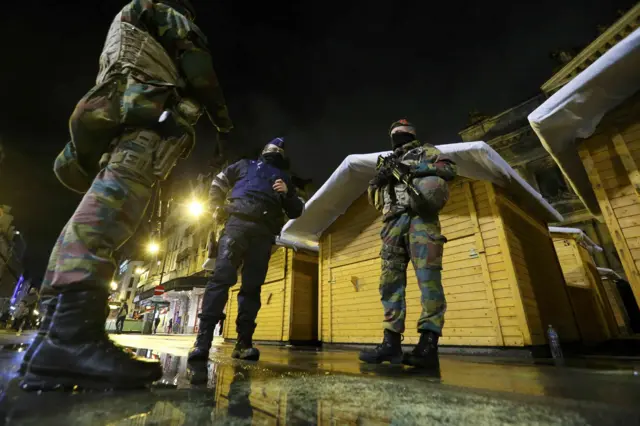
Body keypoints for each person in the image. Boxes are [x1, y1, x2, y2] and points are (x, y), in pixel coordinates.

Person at [21, 0, 235, 391]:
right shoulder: (164, 15)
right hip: (143, 125)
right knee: (108, 214)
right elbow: (199, 66)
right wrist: (221, 117)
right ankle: (71, 339)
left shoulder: (132, 20)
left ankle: (56, 338)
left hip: (124, 115)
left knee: (94, 213)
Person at [188, 137, 305, 362]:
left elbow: (296, 211)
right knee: (223, 280)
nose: (275, 151)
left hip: (260, 233)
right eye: (274, 148)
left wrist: (288, 192)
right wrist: (215, 206)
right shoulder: (244, 165)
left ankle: (242, 343)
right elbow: (219, 182)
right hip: (237, 226)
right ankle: (204, 342)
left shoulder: (283, 178)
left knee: (249, 287)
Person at [359, 119, 457, 369]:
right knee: (389, 282)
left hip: (421, 219)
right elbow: (374, 199)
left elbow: (449, 169)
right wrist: (378, 180)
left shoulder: (428, 151)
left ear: (412, 134)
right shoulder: (386, 162)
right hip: (392, 222)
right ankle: (391, 343)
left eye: (403, 132)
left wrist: (411, 167)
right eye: (395, 133)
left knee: (429, 281)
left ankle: (428, 345)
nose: (398, 136)